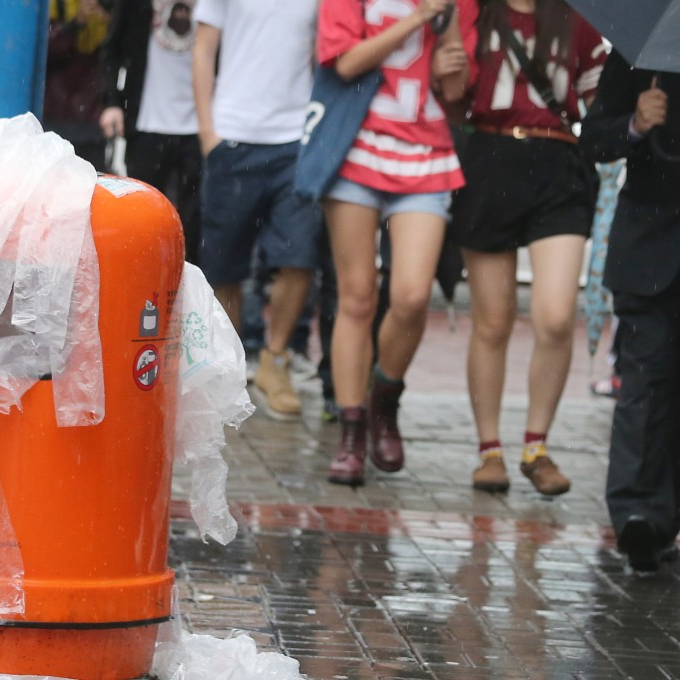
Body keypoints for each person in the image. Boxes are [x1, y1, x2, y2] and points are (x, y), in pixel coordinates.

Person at [450, 0, 605, 495]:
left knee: (557, 315)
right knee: (493, 319)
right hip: (488, 159)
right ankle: (488, 449)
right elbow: (452, 91)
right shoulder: (472, 10)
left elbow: (600, 103)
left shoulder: (578, 17)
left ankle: (536, 446)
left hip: (558, 161)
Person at [318, 0, 471, 485]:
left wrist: (450, 51)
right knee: (358, 296)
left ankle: (385, 398)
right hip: (354, 145)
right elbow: (344, 63)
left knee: (411, 296)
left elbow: (456, 91)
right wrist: (419, 17)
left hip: (426, 150)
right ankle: (351, 430)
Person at [192, 0, 322, 420]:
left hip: (296, 142)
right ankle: (228, 366)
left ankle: (275, 360)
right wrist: (209, 133)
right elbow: (203, 48)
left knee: (299, 257)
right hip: (232, 136)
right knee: (224, 265)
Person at [582, 50, 680, 572]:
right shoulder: (646, 53)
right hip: (651, 247)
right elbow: (595, 138)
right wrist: (636, 124)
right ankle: (640, 516)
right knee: (644, 379)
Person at [99, 0, 202, 263]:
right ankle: (143, 287)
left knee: (197, 223)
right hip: (146, 122)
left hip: (202, 126)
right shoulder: (136, 6)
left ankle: (192, 295)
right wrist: (111, 102)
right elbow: (112, 49)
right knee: (143, 220)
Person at [44, 0, 111, 171]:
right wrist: (75, 24)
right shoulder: (53, 7)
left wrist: (110, 23)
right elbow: (46, 49)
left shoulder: (107, 9)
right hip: (57, 116)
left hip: (92, 119)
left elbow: (118, 56)